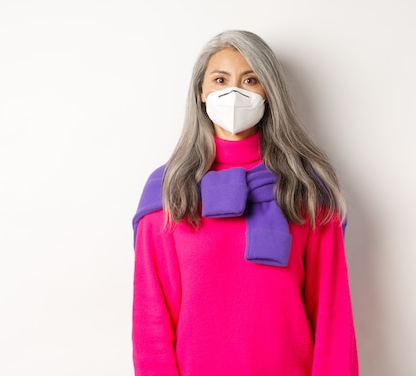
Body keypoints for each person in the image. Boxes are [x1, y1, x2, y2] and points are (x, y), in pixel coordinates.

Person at [131, 30, 358, 376]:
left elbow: (332, 316)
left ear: (268, 91)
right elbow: (152, 321)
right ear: (202, 93)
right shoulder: (169, 193)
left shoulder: (305, 191)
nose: (233, 91)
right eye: (220, 79)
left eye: (250, 79)